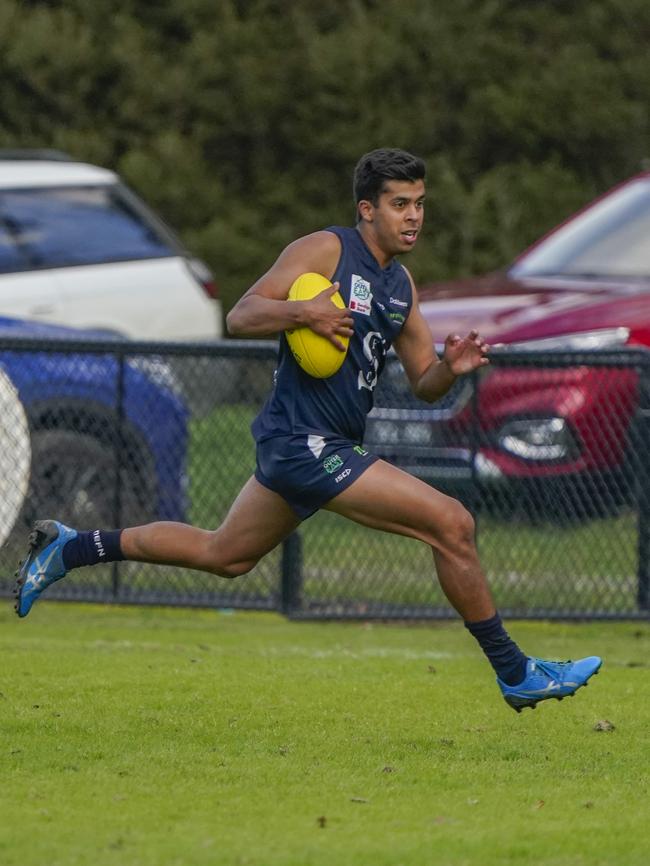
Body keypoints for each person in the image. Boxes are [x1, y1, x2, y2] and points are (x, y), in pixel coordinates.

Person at [13, 148, 601, 712]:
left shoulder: (401, 286)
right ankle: (515, 672)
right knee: (453, 522)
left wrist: (452, 366)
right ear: (367, 209)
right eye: (400, 204)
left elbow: (423, 379)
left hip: (331, 443)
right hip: (302, 440)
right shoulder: (325, 250)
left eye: (420, 203)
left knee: (226, 554)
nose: (414, 216)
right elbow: (241, 313)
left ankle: (71, 546)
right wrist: (304, 312)